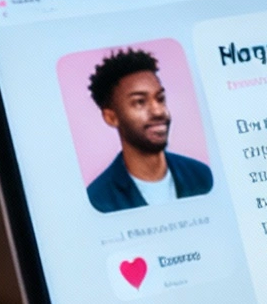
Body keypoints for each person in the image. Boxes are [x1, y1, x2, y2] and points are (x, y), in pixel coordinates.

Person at [82, 49, 213, 213]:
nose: (158, 111)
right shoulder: (98, 202)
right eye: (139, 102)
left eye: (160, 99)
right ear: (111, 117)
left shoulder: (202, 176)